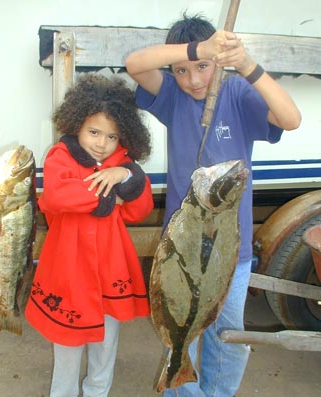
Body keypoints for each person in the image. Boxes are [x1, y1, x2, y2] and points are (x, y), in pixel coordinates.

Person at [125, 13, 301, 397]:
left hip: (230, 254)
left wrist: (245, 64)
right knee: (178, 330)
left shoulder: (237, 94)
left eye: (203, 67)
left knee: (226, 333)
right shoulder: (171, 95)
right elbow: (134, 63)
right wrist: (197, 50)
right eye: (182, 70)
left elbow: (291, 118)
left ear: (218, 63)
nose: (193, 80)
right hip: (180, 253)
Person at [25, 74, 153, 397]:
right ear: (77, 123)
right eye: (94, 132)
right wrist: (110, 196)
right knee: (67, 348)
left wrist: (125, 173)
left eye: (111, 136)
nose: (101, 143)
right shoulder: (60, 156)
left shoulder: (122, 163)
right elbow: (54, 196)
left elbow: (141, 208)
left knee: (106, 346)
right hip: (68, 274)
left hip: (110, 273)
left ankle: (98, 392)